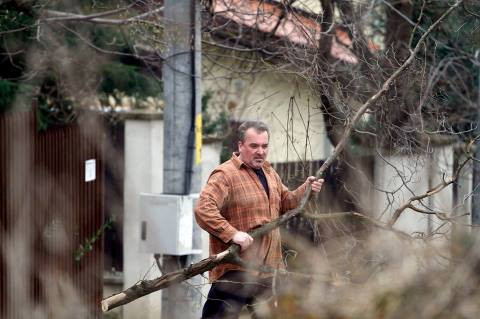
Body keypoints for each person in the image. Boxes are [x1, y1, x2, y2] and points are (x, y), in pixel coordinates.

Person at [195, 121, 324, 318]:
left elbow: (285, 202)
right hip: (237, 270)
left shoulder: (269, 172)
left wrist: (306, 190)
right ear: (240, 146)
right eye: (254, 146)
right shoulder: (225, 175)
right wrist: (233, 234)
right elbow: (203, 209)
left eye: (264, 146)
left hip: (268, 270)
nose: (260, 152)